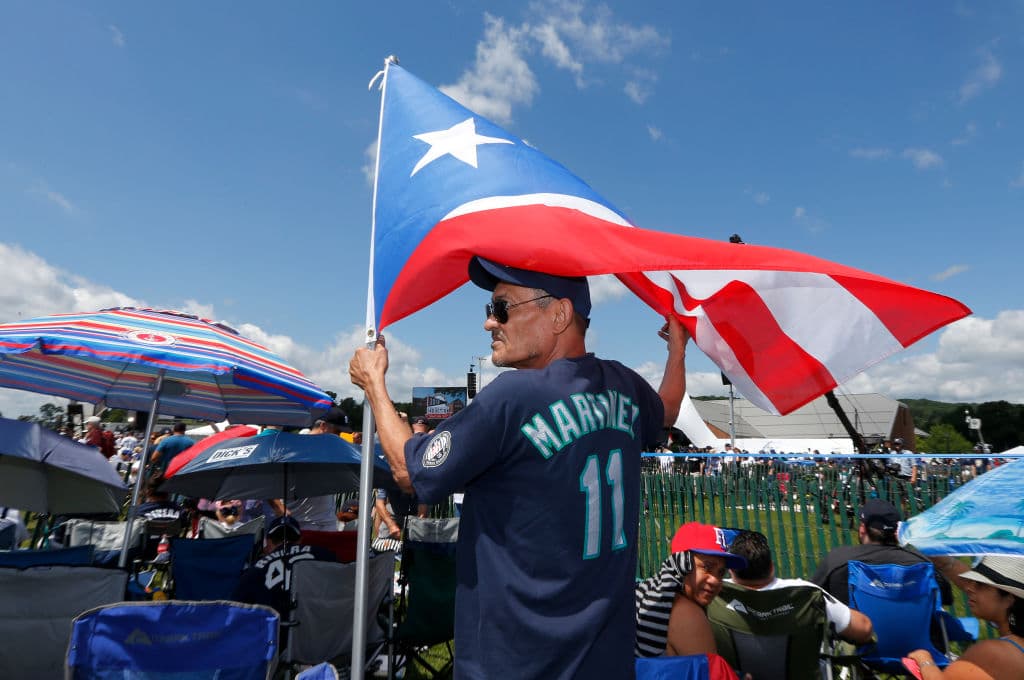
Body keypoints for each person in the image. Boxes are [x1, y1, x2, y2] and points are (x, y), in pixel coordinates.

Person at [349, 256, 689, 679]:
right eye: (490, 310)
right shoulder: (623, 384)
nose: (490, 323)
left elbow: (408, 472)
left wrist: (375, 385)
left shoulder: (511, 397)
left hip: (514, 660)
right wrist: (677, 350)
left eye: (502, 308)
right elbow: (668, 411)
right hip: (605, 659)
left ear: (560, 314)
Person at [727, 530, 874, 644]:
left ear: (731, 570)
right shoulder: (807, 594)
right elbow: (864, 629)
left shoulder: (719, 596)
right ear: (772, 567)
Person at [811, 498, 952, 605]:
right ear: (897, 533)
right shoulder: (922, 564)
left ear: (862, 529)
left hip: (855, 637)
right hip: (912, 640)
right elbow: (945, 597)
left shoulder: (838, 560)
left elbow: (811, 598)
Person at [635, 522, 747, 657]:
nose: (715, 580)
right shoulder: (686, 613)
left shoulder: (650, 592)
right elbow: (710, 674)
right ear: (681, 563)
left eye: (721, 572)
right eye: (706, 567)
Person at [908, 555, 1024, 679]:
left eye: (980, 584)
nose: (968, 588)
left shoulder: (991, 652)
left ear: (1009, 599)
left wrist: (924, 660)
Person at [232, 515, 337, 617]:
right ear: (300, 540)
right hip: (319, 626)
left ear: (268, 542)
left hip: (274, 630)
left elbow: (236, 607)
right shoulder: (324, 555)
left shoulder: (254, 570)